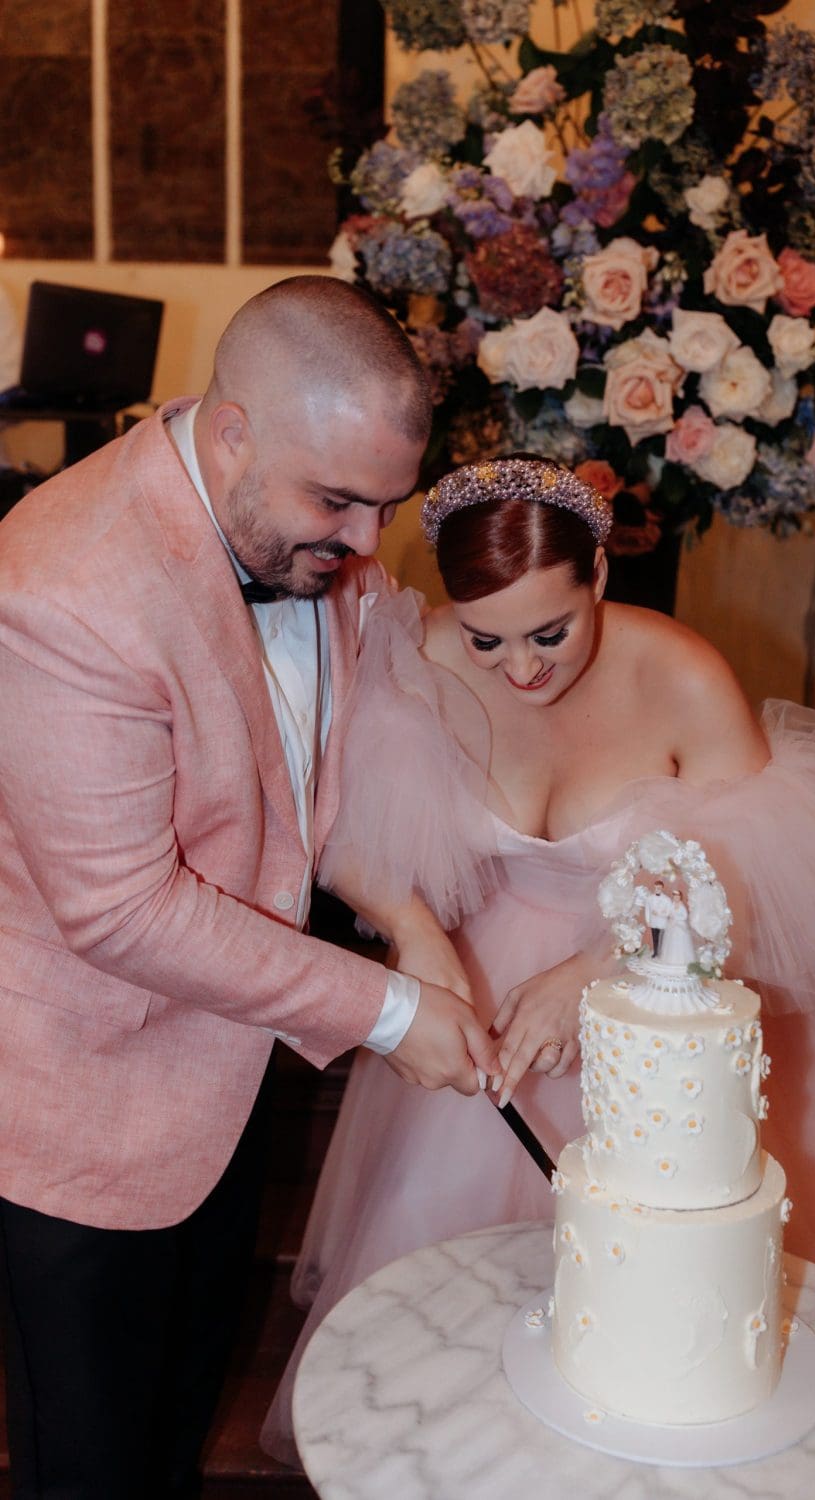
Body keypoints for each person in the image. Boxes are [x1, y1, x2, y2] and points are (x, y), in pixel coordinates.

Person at [260, 453, 815, 1466]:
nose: (523, 670)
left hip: (665, 1012)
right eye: (488, 637)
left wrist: (597, 968)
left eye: (551, 632)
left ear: (597, 572)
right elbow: (357, 830)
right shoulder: (425, 660)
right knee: (464, 1339)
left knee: (678, 1341)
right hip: (486, 996)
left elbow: (752, 881)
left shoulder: (681, 674)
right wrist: (416, 932)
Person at [0, 276, 497, 1500]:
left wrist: (413, 927)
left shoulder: (306, 538)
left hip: (219, 1091)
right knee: (90, 1473)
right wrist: (388, 1011)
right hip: (77, 1113)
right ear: (232, 432)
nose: (365, 546)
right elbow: (120, 909)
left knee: (173, 1442)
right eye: (337, 499)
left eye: (385, 504)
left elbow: (304, 800)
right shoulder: (60, 591)